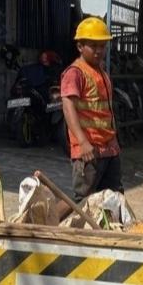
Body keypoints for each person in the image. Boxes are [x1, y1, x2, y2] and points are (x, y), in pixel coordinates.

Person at [60, 16, 123, 202]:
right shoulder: (75, 73)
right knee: (84, 201)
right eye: (93, 46)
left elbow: (106, 111)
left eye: (102, 46)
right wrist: (82, 142)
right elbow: (68, 108)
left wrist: (114, 141)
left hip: (109, 149)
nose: (99, 51)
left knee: (113, 199)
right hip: (89, 151)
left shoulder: (101, 72)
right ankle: (55, 218)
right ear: (80, 46)